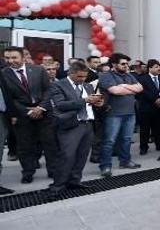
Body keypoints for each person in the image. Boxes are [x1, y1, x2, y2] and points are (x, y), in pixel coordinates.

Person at [46, 62, 103, 199]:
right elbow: (60, 105)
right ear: (70, 73)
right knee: (66, 156)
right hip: (70, 125)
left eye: (85, 76)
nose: (82, 79)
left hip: (87, 125)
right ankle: (58, 186)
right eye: (79, 76)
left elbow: (91, 104)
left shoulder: (88, 86)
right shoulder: (58, 85)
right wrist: (84, 100)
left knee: (82, 156)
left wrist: (99, 104)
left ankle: (74, 181)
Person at [1, 46, 58, 184]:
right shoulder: (3, 74)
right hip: (22, 115)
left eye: (14, 57)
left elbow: (48, 91)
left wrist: (40, 108)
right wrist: (27, 111)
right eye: (7, 58)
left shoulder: (39, 70)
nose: (10, 61)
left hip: (44, 113)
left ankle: (53, 171)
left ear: (23, 57)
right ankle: (28, 172)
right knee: (25, 146)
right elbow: (9, 98)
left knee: (50, 144)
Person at [97, 53, 144, 177]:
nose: (126, 66)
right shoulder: (106, 76)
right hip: (113, 114)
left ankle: (125, 161)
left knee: (127, 139)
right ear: (114, 64)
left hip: (130, 113)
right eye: (123, 64)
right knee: (109, 141)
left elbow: (140, 88)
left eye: (127, 64)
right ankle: (105, 166)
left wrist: (124, 86)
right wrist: (130, 89)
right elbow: (115, 91)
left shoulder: (129, 75)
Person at [136, 59, 160, 157]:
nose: (159, 69)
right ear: (150, 68)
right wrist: (154, 100)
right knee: (145, 129)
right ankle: (143, 148)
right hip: (146, 108)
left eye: (159, 67)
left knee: (159, 128)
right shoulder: (142, 78)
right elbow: (142, 92)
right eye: (156, 67)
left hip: (159, 108)